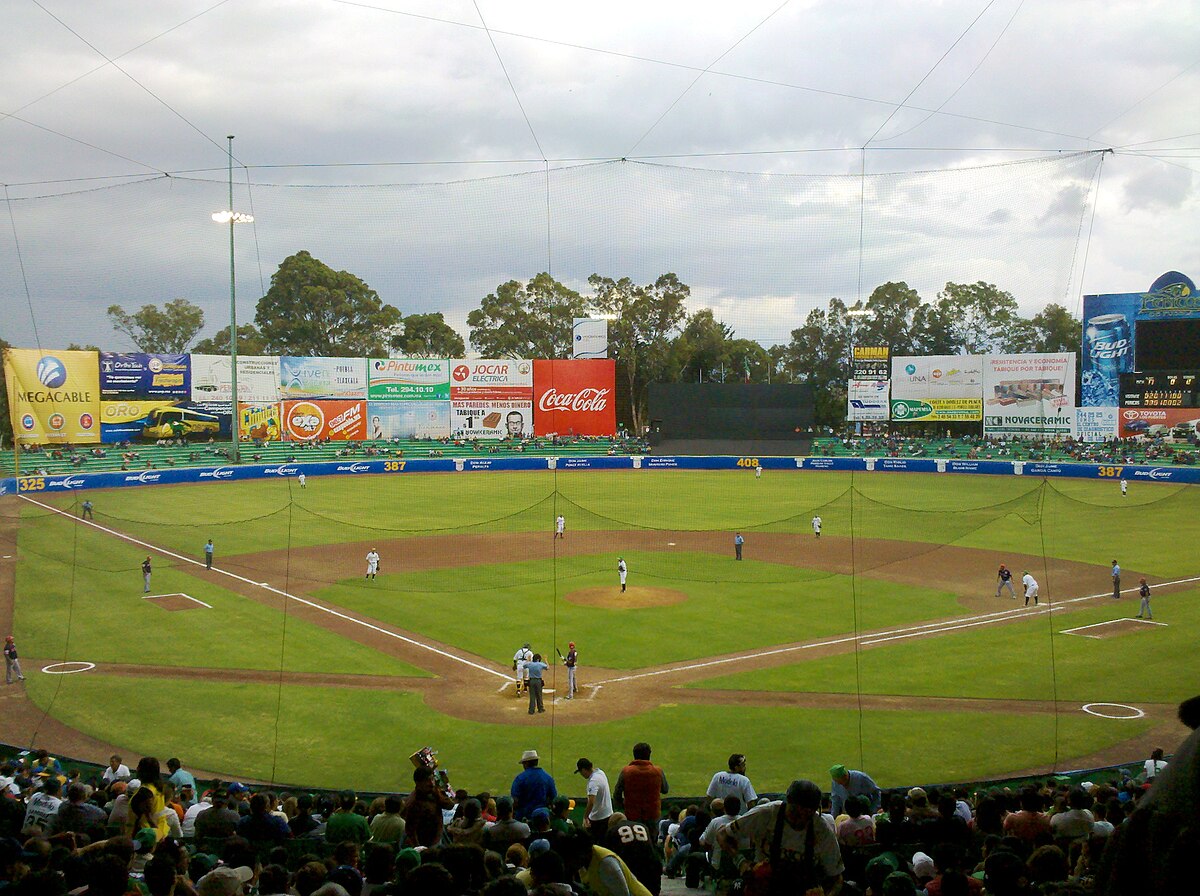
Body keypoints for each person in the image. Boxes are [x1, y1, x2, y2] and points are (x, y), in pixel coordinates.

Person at [717, 779, 844, 896]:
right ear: (787, 800)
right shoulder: (765, 814)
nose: (801, 819)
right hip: (764, 887)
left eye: (808, 815)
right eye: (796, 813)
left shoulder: (821, 830)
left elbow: (837, 878)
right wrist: (740, 861)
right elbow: (722, 834)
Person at [613, 742, 669, 827]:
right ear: (649, 755)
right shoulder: (658, 771)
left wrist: (622, 806)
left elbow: (617, 793)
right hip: (652, 814)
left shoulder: (626, 771)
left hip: (632, 814)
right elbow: (665, 790)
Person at [512, 750, 558, 820]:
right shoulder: (548, 778)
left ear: (526, 763)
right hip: (543, 819)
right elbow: (554, 798)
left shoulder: (520, 779)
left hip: (523, 818)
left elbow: (515, 801)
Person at [576, 758, 614, 839]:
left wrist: (585, 817)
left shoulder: (593, 781)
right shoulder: (600, 772)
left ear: (583, 770)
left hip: (598, 819)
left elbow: (591, 802)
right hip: (608, 814)